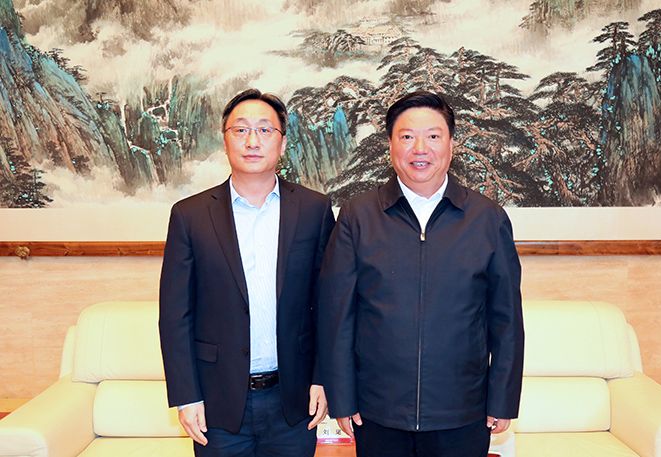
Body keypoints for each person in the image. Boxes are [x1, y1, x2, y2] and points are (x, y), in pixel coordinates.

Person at [317, 91, 524, 457]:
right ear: (391, 145)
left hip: (462, 412)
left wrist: (503, 398)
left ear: (451, 145)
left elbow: (506, 319)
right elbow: (338, 316)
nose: (420, 149)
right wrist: (342, 398)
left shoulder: (487, 219)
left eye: (433, 136)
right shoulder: (357, 216)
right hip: (378, 412)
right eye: (407, 136)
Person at [159, 88, 335, 457]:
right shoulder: (190, 215)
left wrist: (323, 378)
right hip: (217, 401)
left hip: (293, 400)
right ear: (225, 140)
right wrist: (186, 396)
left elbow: (328, 305)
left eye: (264, 130)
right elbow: (175, 315)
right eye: (240, 130)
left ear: (282, 143)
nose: (252, 141)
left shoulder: (314, 210)